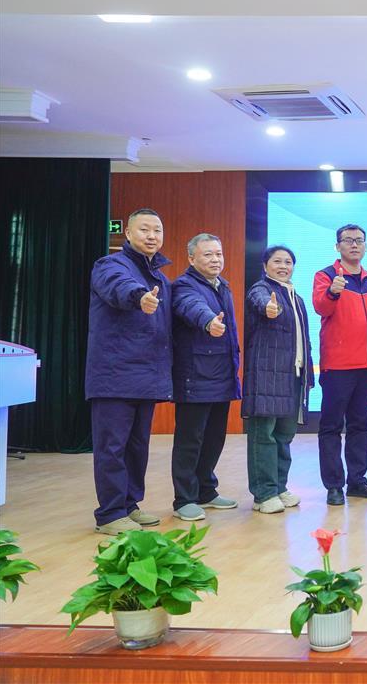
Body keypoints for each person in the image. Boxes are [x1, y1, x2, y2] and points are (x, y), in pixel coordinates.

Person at [85, 208, 172, 535]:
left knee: (137, 447)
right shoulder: (110, 265)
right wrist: (139, 297)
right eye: (145, 229)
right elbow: (118, 286)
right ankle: (109, 514)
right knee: (112, 447)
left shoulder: (161, 278)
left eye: (157, 230)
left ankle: (129, 505)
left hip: (146, 376)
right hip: (114, 376)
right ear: (129, 234)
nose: (152, 236)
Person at [311, 224, 367, 505]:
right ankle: (333, 485)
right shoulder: (326, 276)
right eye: (348, 240)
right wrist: (333, 291)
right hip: (338, 366)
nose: (354, 245)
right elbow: (321, 307)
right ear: (338, 246)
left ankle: (357, 481)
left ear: (365, 246)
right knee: (331, 427)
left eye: (359, 241)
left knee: (360, 426)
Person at [169, 233, 241, 521]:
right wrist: (209, 320)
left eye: (218, 254)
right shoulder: (184, 285)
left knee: (214, 438)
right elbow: (191, 307)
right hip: (195, 375)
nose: (215, 259)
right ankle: (184, 499)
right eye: (208, 254)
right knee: (190, 440)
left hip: (221, 374)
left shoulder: (223, 285)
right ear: (191, 258)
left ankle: (206, 491)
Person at [242, 245, 312, 515]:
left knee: (284, 435)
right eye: (277, 261)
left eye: (288, 262)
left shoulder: (297, 298)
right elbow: (260, 301)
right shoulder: (261, 289)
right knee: (264, 436)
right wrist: (268, 307)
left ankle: (280, 487)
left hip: (293, 375)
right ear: (265, 266)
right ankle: (264, 493)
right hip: (266, 376)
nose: (283, 266)